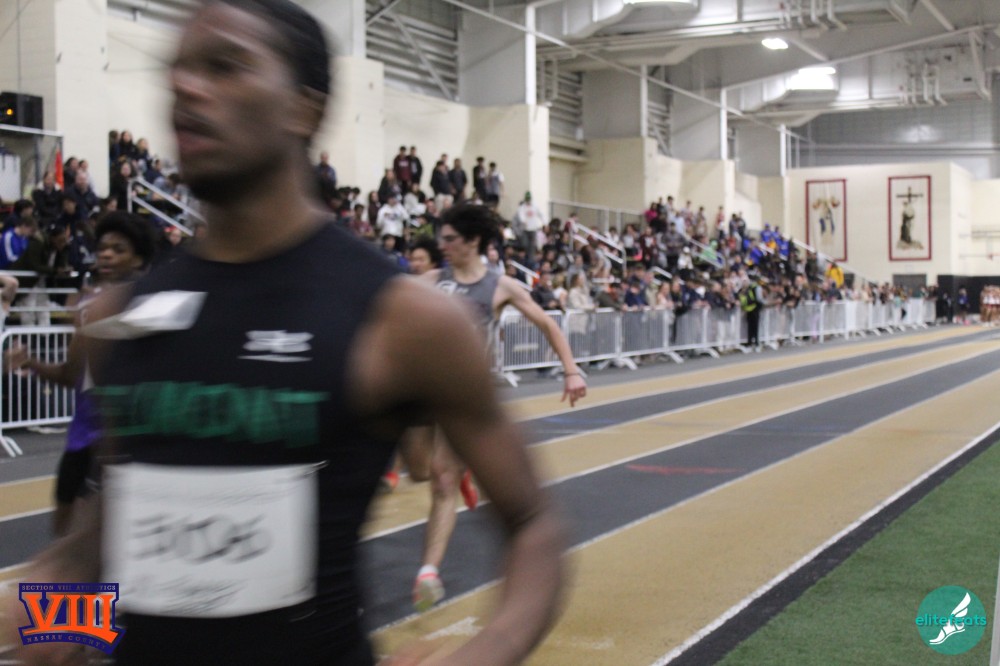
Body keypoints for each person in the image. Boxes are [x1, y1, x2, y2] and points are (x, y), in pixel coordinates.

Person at [2, 3, 565, 665]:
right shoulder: (120, 319)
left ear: (304, 108)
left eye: (225, 66)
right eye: (178, 70)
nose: (187, 86)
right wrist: (42, 623)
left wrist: (488, 651)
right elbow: (103, 541)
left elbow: (533, 524)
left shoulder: (404, 320)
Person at [405, 203, 585, 614]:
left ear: (472, 241)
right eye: (441, 239)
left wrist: (572, 371)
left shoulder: (501, 287)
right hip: (424, 391)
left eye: (450, 239)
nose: (442, 246)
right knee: (417, 470)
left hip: (463, 397)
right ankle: (465, 471)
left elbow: (548, 324)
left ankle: (428, 572)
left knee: (441, 480)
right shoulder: (431, 281)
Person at [4, 213, 155, 536]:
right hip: (83, 437)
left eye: (118, 249)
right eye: (102, 248)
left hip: (131, 441)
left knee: (115, 537)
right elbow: (70, 375)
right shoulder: (87, 308)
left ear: (139, 259)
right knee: (63, 530)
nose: (107, 255)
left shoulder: (155, 309)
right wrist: (30, 362)